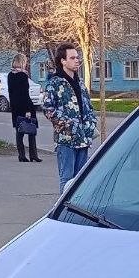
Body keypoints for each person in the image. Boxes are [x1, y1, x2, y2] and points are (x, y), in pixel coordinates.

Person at [42, 43, 97, 187]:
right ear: (63, 61)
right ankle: (63, 209)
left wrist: (91, 124)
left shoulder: (81, 84)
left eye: (77, 57)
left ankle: (76, 208)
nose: (77, 60)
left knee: (81, 181)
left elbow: (89, 108)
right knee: (67, 179)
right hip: (65, 140)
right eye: (72, 58)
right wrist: (66, 123)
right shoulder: (54, 83)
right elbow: (48, 109)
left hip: (83, 138)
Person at [7, 53, 41, 164]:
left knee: (19, 132)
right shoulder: (22, 75)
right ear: (22, 62)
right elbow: (25, 93)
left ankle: (21, 155)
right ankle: (33, 155)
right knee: (31, 130)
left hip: (15, 107)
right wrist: (27, 110)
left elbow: (11, 93)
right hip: (26, 106)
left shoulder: (10, 75)